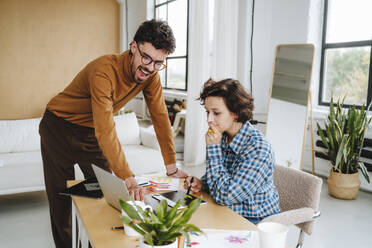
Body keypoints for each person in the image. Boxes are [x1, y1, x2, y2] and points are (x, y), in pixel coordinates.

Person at [39, 19, 188, 248]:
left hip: (89, 135)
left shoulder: (151, 76)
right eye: (146, 58)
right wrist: (127, 176)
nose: (149, 68)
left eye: (159, 63)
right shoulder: (104, 70)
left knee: (107, 196)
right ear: (133, 47)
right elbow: (105, 128)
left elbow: (160, 118)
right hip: (58, 127)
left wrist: (171, 165)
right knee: (61, 201)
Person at [184, 78, 280, 225]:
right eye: (207, 112)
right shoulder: (223, 135)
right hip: (227, 211)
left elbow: (225, 195)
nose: (209, 119)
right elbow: (221, 178)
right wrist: (202, 184)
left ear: (235, 112)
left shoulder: (259, 149)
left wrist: (213, 148)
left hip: (255, 220)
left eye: (216, 113)